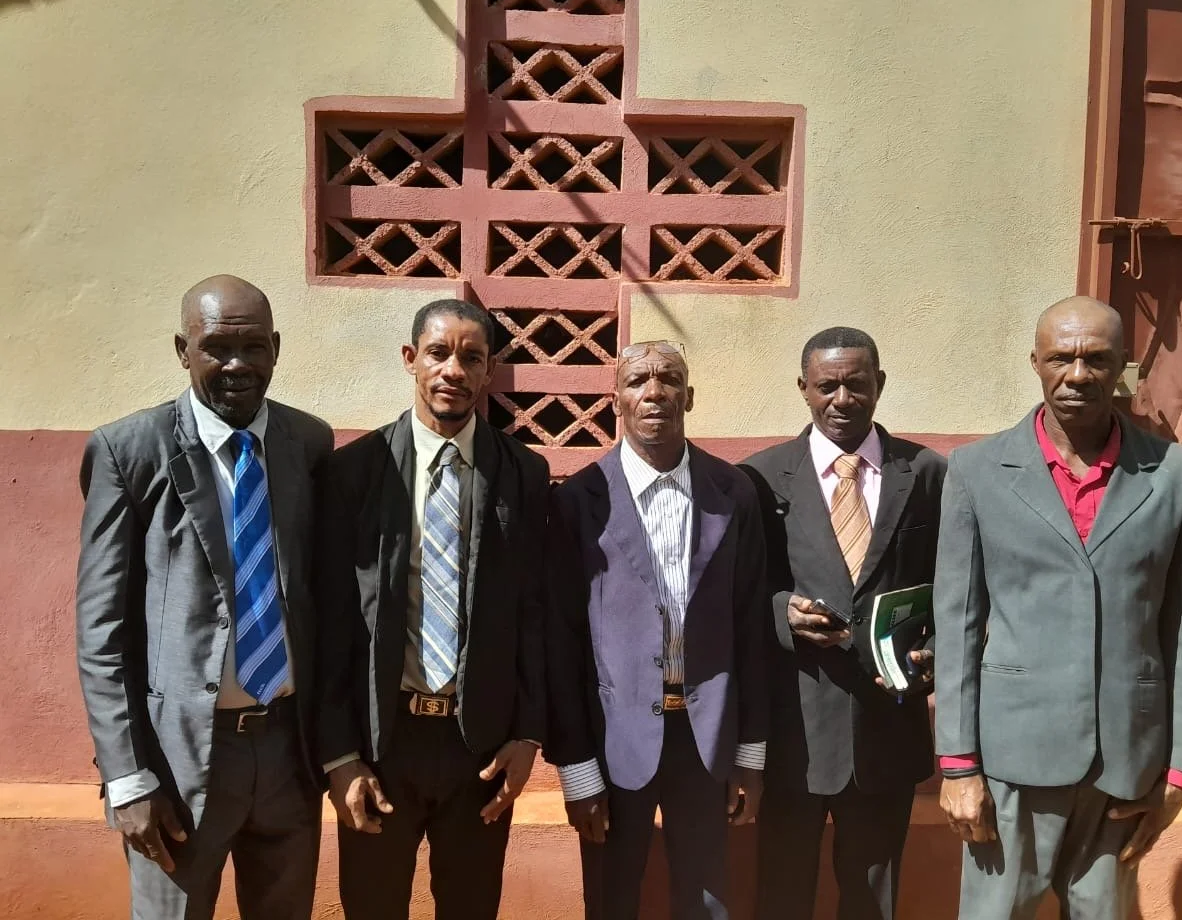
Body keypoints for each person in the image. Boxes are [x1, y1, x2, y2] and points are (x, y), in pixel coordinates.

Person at [933, 295, 1182, 919]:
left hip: (1126, 758)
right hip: (1012, 758)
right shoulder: (977, 471)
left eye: (1097, 359)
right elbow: (957, 623)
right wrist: (957, 765)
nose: (1078, 375)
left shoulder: (1177, 474)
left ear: (1123, 366)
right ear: (1035, 362)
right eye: (1062, 358)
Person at [75, 275, 334, 920]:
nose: (237, 365)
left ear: (276, 348)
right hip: (178, 761)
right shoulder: (130, 450)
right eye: (217, 347)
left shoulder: (309, 444)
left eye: (253, 347)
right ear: (182, 350)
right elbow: (102, 630)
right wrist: (128, 777)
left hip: (287, 753)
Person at [315, 298, 550, 920]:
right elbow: (331, 624)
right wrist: (340, 755)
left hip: (481, 749)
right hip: (381, 742)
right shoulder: (354, 471)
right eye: (439, 353)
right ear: (410, 358)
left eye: (472, 358)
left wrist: (527, 734)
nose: (454, 371)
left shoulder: (524, 473)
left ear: (490, 370)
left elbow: (534, 612)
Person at [545, 341, 768, 920]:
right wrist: (576, 769)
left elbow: (752, 626)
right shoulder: (579, 499)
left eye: (669, 379)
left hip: (706, 736)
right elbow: (562, 642)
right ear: (615, 399)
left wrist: (750, 752)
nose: (654, 392)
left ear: (688, 396)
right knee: (612, 896)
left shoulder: (734, 493)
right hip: (613, 736)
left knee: (708, 899)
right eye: (638, 380)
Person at [740, 326, 945, 920]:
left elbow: (955, 585)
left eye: (856, 384)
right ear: (803, 388)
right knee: (782, 894)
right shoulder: (760, 478)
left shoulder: (927, 473)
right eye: (827, 386)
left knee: (873, 898)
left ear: (879, 384)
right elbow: (739, 590)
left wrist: (935, 649)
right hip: (795, 730)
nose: (842, 399)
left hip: (886, 727)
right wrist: (782, 612)